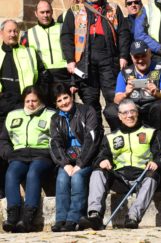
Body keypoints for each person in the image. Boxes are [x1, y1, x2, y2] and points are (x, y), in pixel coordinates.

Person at [79, 99, 161, 230]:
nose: (129, 115)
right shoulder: (111, 137)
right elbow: (101, 156)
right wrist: (102, 160)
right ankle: (95, 214)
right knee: (98, 171)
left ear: (137, 113)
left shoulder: (152, 132)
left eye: (132, 111)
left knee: (153, 175)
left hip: (143, 176)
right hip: (119, 178)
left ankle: (133, 217)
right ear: (120, 116)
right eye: (125, 113)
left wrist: (157, 162)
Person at [61, 0, 131, 125]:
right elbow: (66, 37)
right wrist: (70, 60)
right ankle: (95, 137)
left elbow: (124, 33)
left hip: (109, 59)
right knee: (90, 102)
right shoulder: (74, 11)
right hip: (85, 63)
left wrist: (123, 56)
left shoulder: (113, 8)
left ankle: (118, 132)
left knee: (114, 99)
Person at [0, 19, 48, 197]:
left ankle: (28, 196)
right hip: (3, 108)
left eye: (16, 31)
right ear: (2, 33)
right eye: (10, 31)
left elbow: (42, 76)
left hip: (26, 107)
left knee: (23, 149)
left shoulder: (29, 52)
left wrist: (38, 96)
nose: (13, 34)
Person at [0, 86, 55, 233]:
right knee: (11, 174)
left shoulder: (50, 115)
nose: (31, 104)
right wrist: (8, 154)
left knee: (33, 173)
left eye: (34, 101)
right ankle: (12, 216)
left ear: (40, 100)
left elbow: (57, 139)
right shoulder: (13, 115)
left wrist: (50, 153)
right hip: (18, 155)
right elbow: (3, 139)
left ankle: (27, 218)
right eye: (28, 101)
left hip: (42, 155)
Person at [50, 83, 103, 232]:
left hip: (88, 158)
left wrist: (80, 164)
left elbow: (92, 139)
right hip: (68, 159)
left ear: (71, 96)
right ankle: (61, 219)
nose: (64, 102)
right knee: (62, 177)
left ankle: (74, 218)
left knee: (77, 177)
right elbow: (55, 143)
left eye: (65, 98)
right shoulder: (55, 119)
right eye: (59, 101)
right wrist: (65, 164)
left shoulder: (87, 111)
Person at [104, 40, 161, 132]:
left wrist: (157, 94)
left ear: (149, 53)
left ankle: (158, 140)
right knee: (110, 110)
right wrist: (126, 94)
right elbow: (116, 100)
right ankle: (122, 138)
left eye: (143, 56)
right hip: (132, 108)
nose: (140, 60)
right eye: (136, 57)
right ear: (131, 57)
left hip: (153, 107)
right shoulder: (124, 73)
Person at [21, 0, 72, 90]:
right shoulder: (28, 34)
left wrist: (73, 81)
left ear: (52, 12)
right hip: (43, 76)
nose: (45, 15)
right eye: (42, 12)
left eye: (48, 12)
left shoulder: (63, 27)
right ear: (36, 13)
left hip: (64, 74)